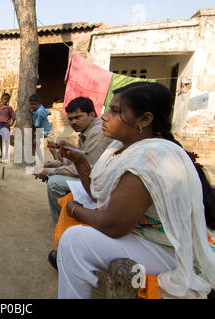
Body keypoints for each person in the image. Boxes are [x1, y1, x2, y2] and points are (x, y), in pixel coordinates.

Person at [55, 82, 215, 299]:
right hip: (142, 234)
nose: (104, 116)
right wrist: (81, 161)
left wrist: (75, 210)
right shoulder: (120, 147)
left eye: (115, 111)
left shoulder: (151, 157)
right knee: (77, 215)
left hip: (167, 248)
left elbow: (114, 226)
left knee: (75, 242)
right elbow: (97, 193)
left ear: (145, 119)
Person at [39, 97, 112, 227]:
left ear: (91, 115)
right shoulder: (85, 131)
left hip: (99, 181)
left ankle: (64, 225)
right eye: (71, 119)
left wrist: (47, 171)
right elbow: (77, 159)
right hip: (91, 175)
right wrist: (52, 164)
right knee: (54, 176)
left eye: (78, 117)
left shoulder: (97, 133)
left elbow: (84, 168)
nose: (73, 122)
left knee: (54, 183)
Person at [0, 93, 16, 161]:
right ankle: (2, 153)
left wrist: (11, 123)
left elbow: (14, 117)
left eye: (7, 99)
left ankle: (6, 154)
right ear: (1, 99)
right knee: (0, 140)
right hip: (0, 125)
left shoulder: (9, 108)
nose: (5, 101)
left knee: (6, 140)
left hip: (6, 125)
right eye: (4, 99)